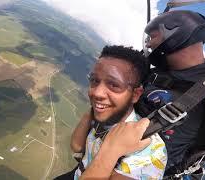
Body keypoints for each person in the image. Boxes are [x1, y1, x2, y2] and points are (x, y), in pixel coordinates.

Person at [80, 10, 205, 179]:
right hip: (96, 160)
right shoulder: (153, 74)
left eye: (153, 36)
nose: (149, 44)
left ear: (176, 32)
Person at [55, 45, 168, 179]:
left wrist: (112, 150)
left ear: (136, 94)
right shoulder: (103, 115)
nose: (97, 92)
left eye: (114, 85)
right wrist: (91, 113)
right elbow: (77, 147)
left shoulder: (151, 152)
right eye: (94, 80)